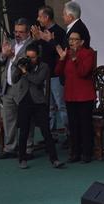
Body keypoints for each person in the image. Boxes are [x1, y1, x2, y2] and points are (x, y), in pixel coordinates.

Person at [14, 43, 63, 170]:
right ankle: (22, 158)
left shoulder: (44, 66)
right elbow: (14, 79)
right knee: (24, 131)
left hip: (38, 102)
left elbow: (37, 81)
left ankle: (54, 159)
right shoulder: (23, 65)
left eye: (33, 57)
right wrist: (17, 66)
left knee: (46, 131)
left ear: (38, 56)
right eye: (28, 57)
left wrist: (25, 72)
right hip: (24, 100)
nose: (30, 60)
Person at [0, 19, 34, 160]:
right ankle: (10, 147)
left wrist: (12, 56)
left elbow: (25, 65)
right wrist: (4, 55)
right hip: (8, 87)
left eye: (21, 32)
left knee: (25, 119)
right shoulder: (10, 43)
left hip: (23, 88)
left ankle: (28, 149)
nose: (17, 34)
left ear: (28, 33)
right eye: (16, 31)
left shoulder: (31, 45)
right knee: (8, 119)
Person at [55, 31, 95, 163]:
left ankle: (87, 153)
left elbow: (83, 72)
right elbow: (58, 72)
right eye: (70, 39)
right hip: (70, 95)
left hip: (84, 96)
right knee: (73, 126)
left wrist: (74, 59)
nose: (71, 42)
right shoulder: (67, 54)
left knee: (85, 125)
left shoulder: (88, 53)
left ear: (82, 42)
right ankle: (75, 152)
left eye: (75, 39)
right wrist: (62, 58)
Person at [35, 6, 68, 137]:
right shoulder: (43, 32)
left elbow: (59, 52)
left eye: (40, 16)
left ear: (46, 17)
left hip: (56, 75)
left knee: (61, 106)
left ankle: (69, 135)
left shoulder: (59, 32)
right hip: (45, 75)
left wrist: (48, 40)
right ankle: (50, 135)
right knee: (49, 106)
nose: (38, 19)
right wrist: (38, 39)